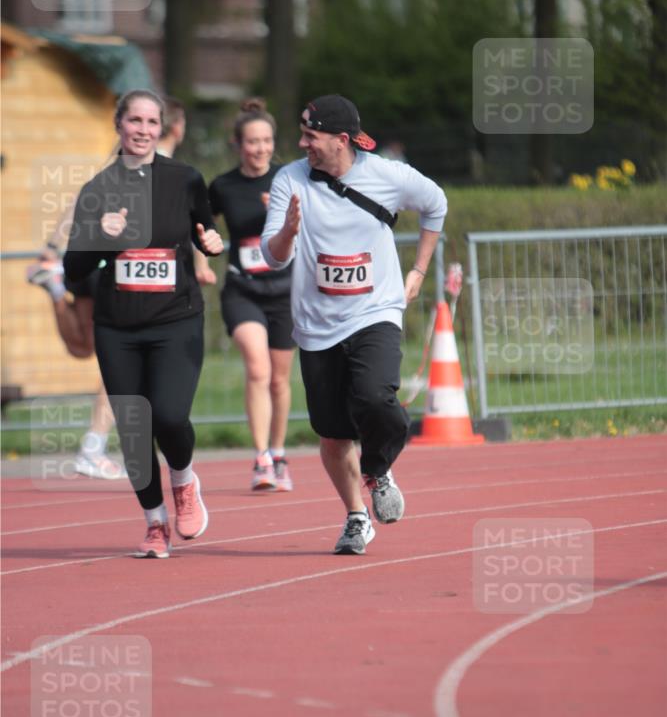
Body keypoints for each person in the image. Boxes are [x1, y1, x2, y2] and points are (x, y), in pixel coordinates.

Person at [261, 94, 447, 555]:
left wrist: (418, 272)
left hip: (375, 312)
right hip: (316, 324)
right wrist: (287, 230)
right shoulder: (289, 180)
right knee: (332, 434)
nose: (302, 143)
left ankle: (379, 468)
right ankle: (356, 517)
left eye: (311, 136)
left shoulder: (385, 175)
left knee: (376, 399)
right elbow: (272, 254)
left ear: (341, 140)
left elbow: (436, 204)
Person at [63, 89, 223, 558]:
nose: (143, 130)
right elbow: (74, 269)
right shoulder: (97, 189)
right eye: (135, 121)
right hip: (118, 326)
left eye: (152, 122)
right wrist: (99, 238)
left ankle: (184, 480)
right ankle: (155, 524)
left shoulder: (186, 179)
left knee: (170, 416)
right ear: (119, 125)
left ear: (162, 127)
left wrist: (211, 244)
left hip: (176, 319)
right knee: (134, 430)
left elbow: (204, 232)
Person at [208, 98, 295, 492]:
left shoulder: (289, 180)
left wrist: (283, 216)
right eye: (252, 142)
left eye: (266, 141)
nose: (259, 149)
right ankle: (260, 459)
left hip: (285, 291)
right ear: (237, 144)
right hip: (243, 289)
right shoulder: (223, 186)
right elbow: (200, 229)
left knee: (279, 379)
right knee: (257, 369)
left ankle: (278, 454)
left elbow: (311, 227)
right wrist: (199, 262)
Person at [27, 187, 126, 480]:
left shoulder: (109, 169)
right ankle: (92, 449)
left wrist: (52, 245)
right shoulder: (149, 158)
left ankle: (56, 288)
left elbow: (77, 202)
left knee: (83, 348)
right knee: (121, 364)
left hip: (82, 257)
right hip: (111, 266)